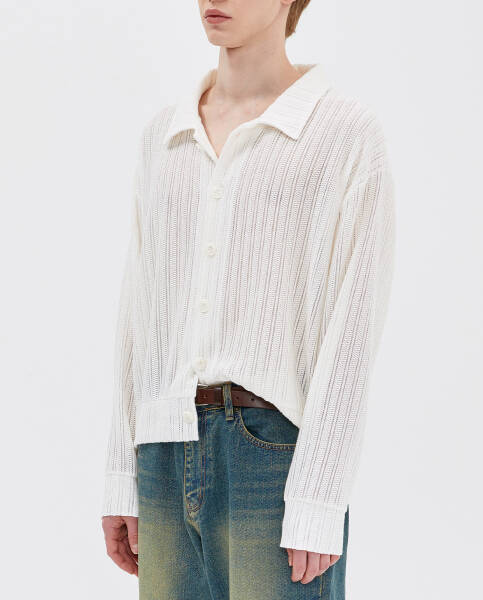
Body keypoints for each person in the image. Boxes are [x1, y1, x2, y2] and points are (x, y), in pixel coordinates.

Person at [101, 1, 396, 598]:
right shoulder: (164, 136)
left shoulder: (343, 132)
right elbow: (139, 313)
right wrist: (121, 475)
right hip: (163, 449)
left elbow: (354, 324)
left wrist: (319, 493)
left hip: (273, 455)